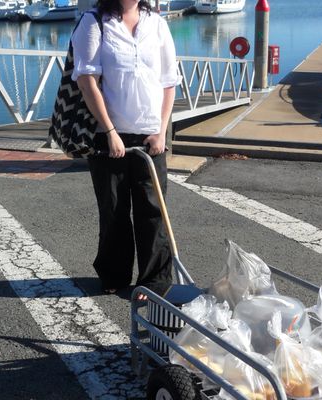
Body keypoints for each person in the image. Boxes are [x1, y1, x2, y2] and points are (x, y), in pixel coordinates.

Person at [71, 0, 180, 299]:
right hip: (108, 135)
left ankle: (155, 279)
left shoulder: (156, 23)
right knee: (114, 209)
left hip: (150, 134)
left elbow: (169, 82)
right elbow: (86, 80)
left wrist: (160, 130)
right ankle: (114, 273)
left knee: (153, 210)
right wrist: (109, 131)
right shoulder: (94, 22)